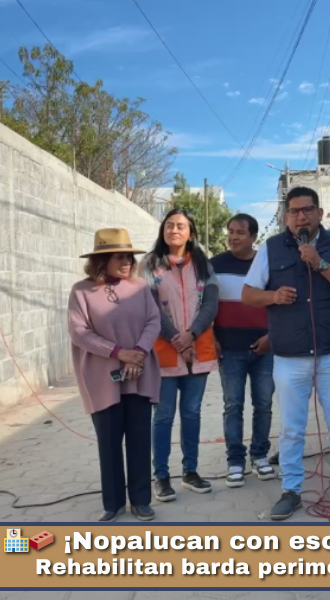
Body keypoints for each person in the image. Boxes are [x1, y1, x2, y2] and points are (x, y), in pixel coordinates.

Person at [241, 186, 330, 520]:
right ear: (287, 216)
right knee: (292, 429)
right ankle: (291, 490)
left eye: (307, 209)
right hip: (289, 357)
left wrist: (320, 262)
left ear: (319, 213)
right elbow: (248, 294)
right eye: (295, 211)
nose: (301, 216)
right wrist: (273, 297)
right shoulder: (271, 248)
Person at [68, 228, 161, 522]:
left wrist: (139, 352)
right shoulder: (81, 291)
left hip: (139, 372)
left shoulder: (140, 287)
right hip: (101, 377)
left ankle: (141, 501)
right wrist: (118, 353)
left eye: (129, 257)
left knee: (139, 439)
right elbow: (79, 332)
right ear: (102, 260)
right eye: (119, 257)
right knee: (108, 442)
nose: (127, 262)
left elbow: (153, 321)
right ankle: (113, 503)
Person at [142, 209, 220, 501]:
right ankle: (161, 476)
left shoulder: (203, 265)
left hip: (198, 350)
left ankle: (190, 471)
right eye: (169, 225)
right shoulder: (149, 265)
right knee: (163, 415)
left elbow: (210, 304)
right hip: (164, 352)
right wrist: (177, 338)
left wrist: (191, 335)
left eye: (181, 226)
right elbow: (150, 308)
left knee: (191, 413)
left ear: (191, 233)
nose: (174, 230)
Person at [211, 213, 277, 488]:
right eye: (230, 232)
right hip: (229, 349)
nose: (233, 237)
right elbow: (205, 305)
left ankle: (259, 455)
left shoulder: (267, 263)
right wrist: (211, 338)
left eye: (240, 232)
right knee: (233, 405)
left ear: (253, 236)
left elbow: (279, 304)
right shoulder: (214, 265)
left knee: (264, 404)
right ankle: (235, 460)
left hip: (264, 349)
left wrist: (271, 337)